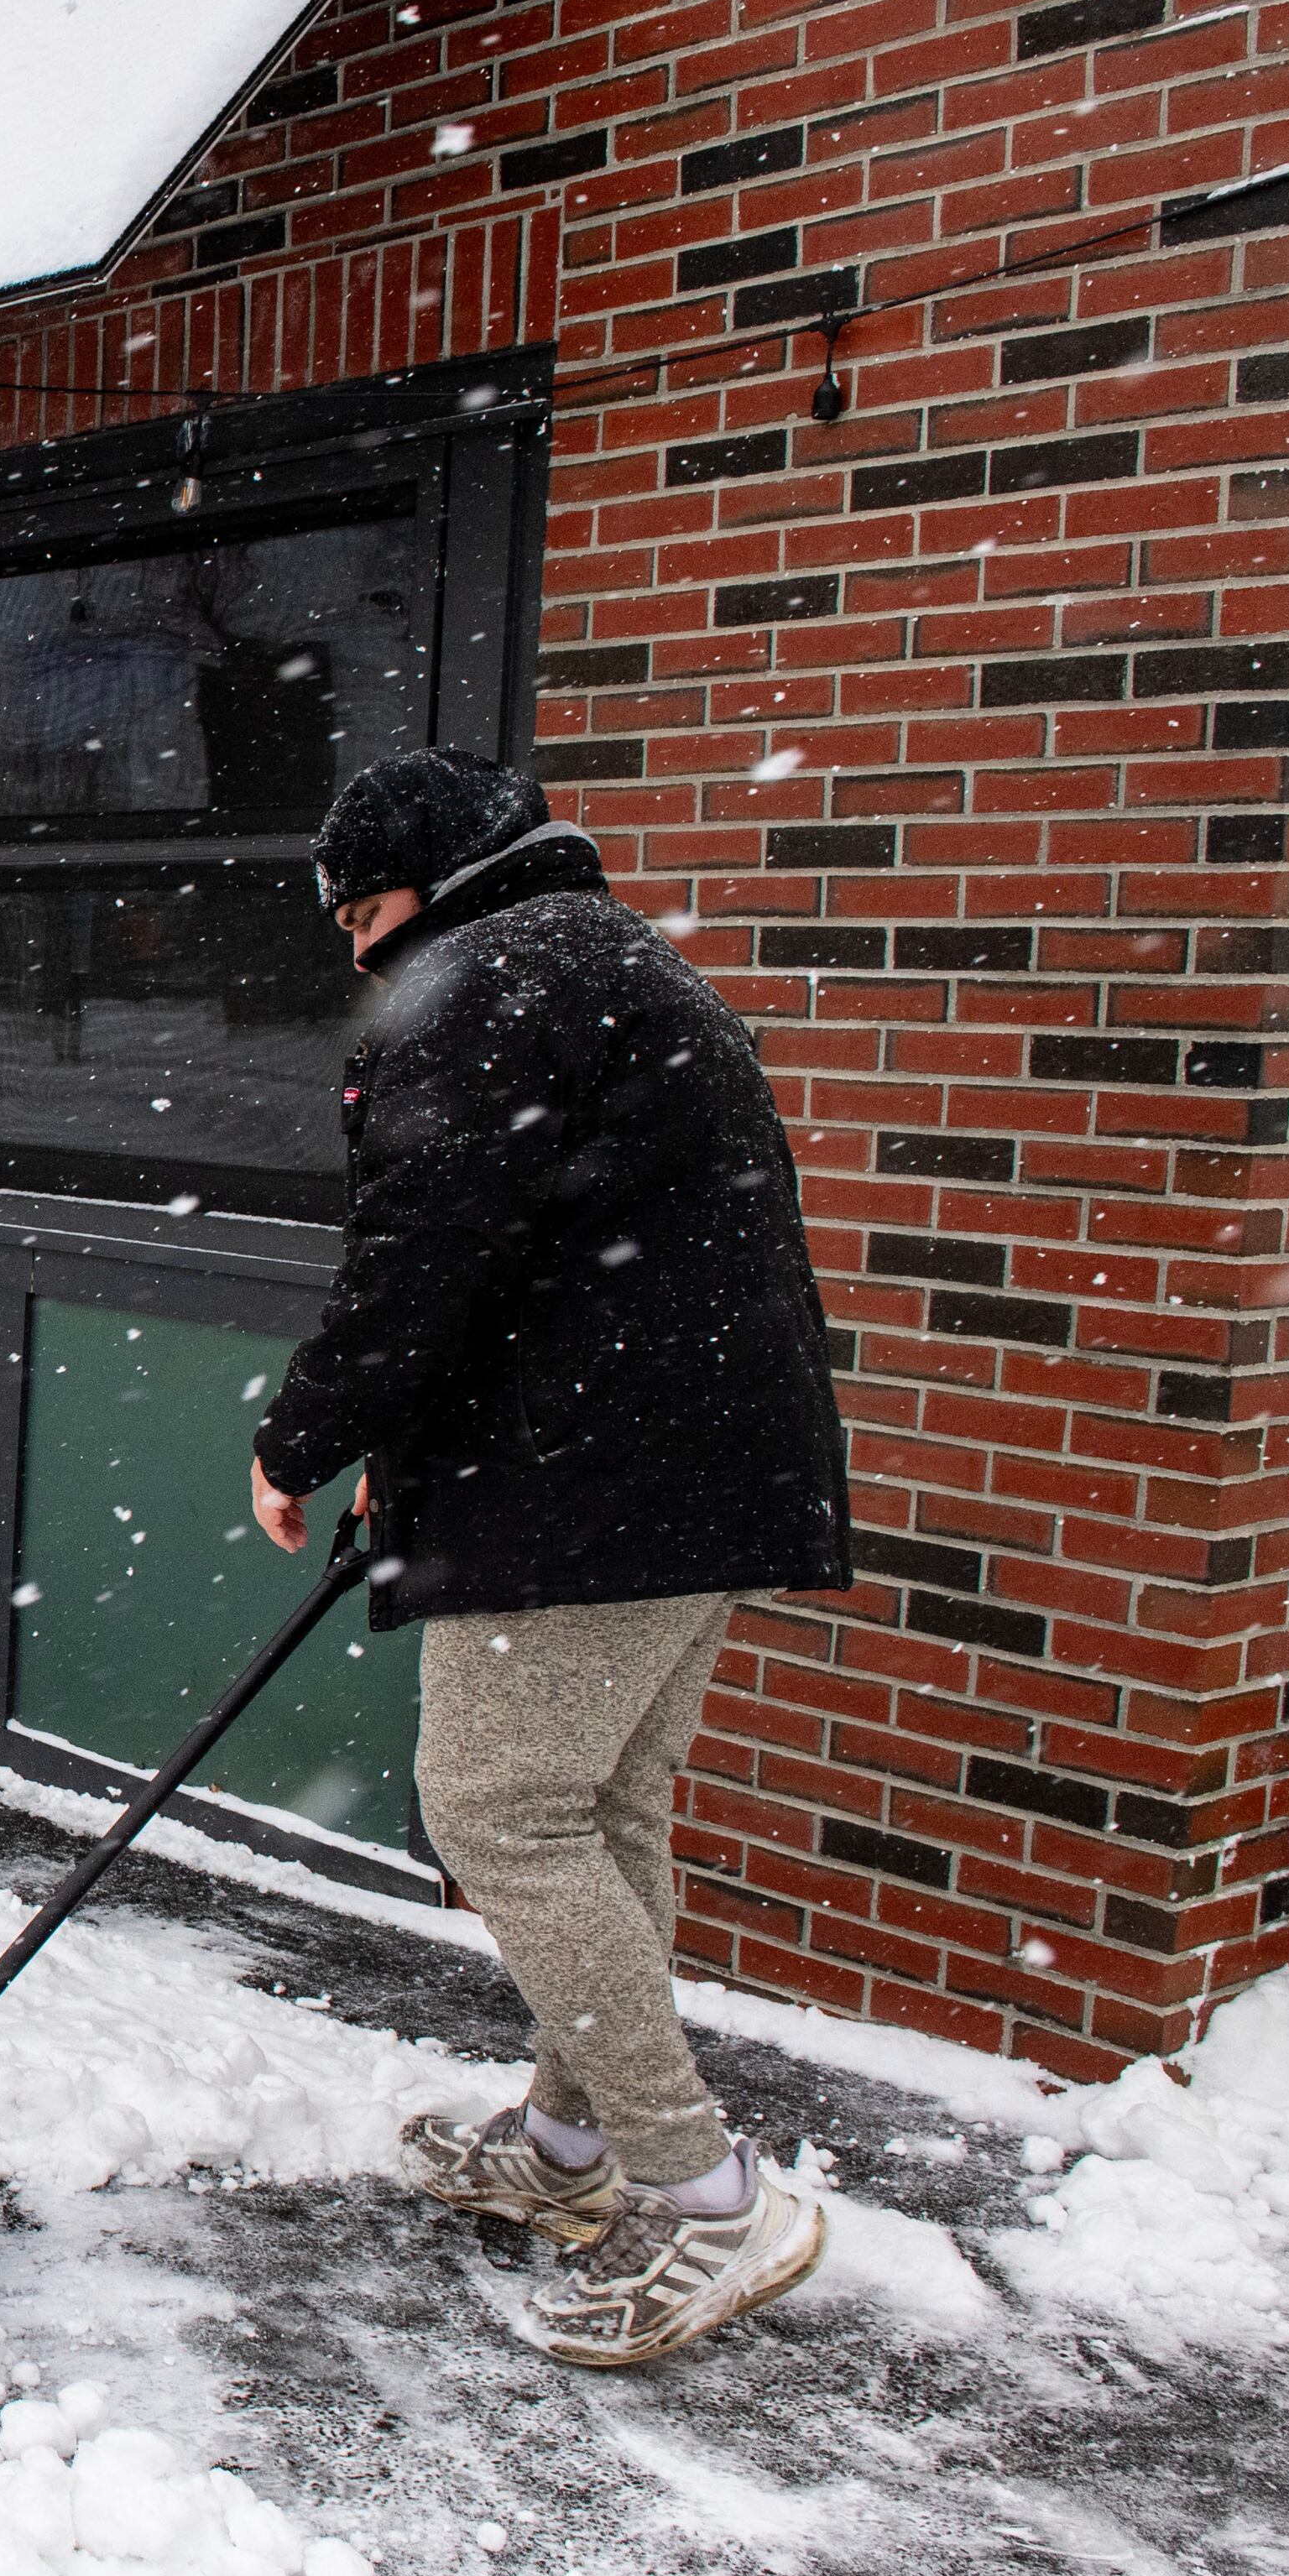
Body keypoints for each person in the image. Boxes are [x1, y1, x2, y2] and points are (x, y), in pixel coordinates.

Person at [244, 746, 850, 2370]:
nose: (354, 951)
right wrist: (417, 1456)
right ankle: (576, 2151)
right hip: (698, 1471)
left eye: (360, 911)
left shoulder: (482, 981)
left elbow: (426, 1249)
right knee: (601, 1809)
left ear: (428, 880)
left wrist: (303, 1434)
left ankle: (705, 2190)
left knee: (498, 1806)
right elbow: (538, 1257)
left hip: (599, 1485)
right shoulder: (611, 957)